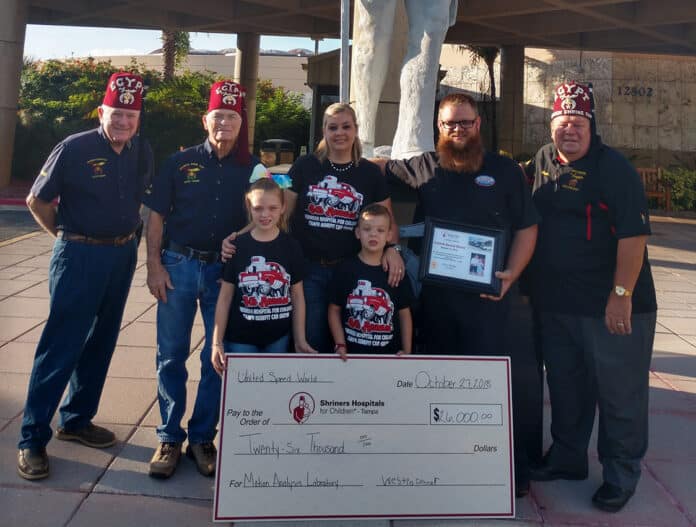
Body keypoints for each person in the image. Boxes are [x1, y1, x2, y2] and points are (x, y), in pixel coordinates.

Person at [377, 92, 540, 496]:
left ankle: (500, 467)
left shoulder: (505, 170)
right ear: (439, 127)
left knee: (489, 387)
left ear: (478, 125)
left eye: (465, 122)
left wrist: (511, 275)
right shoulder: (423, 166)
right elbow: (374, 171)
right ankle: (440, 463)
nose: (458, 130)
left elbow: (527, 228)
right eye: (450, 123)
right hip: (436, 302)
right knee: (438, 382)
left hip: (489, 302)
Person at [525, 81, 657, 513]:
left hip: (613, 308)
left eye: (578, 123)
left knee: (620, 395)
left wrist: (621, 296)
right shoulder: (542, 160)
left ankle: (620, 475)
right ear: (551, 125)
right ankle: (567, 459)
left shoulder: (614, 169)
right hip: (558, 304)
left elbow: (634, 237)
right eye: (562, 122)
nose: (570, 131)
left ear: (591, 125)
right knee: (566, 389)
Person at [17, 72, 151, 480]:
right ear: (101, 112)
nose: (123, 122)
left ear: (138, 119)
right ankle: (32, 439)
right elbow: (36, 200)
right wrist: (67, 236)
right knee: (61, 346)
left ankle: (76, 419)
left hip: (122, 255)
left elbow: (142, 200)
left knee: (101, 342)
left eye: (130, 115)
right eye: (117, 113)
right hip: (79, 256)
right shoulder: (74, 147)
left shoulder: (141, 150)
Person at [144, 80, 258, 479]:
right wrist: (153, 265)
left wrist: (239, 240)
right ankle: (170, 437)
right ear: (205, 119)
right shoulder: (179, 162)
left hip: (222, 275)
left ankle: (203, 437)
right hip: (177, 266)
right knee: (171, 355)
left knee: (217, 357)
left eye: (232, 116)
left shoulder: (253, 168)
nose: (224, 122)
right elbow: (156, 214)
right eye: (218, 116)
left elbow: (267, 215)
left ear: (241, 123)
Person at [224, 103, 405, 353]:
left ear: (355, 129)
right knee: (311, 341)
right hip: (309, 269)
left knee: (348, 343)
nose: (339, 133)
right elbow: (278, 210)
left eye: (346, 126)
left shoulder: (370, 173)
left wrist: (393, 249)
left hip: (351, 269)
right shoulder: (305, 165)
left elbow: (387, 221)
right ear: (324, 130)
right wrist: (238, 238)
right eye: (333, 127)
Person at [211, 178, 315, 373]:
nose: (265, 214)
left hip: (279, 337)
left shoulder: (291, 247)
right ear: (249, 207)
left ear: (283, 207)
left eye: (272, 208)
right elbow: (225, 298)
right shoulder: (237, 247)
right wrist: (216, 343)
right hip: (241, 338)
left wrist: (300, 338)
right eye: (258, 208)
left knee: (273, 394)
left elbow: (298, 296)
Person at [328, 203, 414, 359]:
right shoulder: (345, 269)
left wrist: (407, 351)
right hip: (350, 357)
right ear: (358, 233)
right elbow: (334, 310)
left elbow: (404, 313)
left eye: (380, 230)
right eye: (367, 229)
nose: (373, 234)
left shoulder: (395, 271)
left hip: (389, 358)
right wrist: (340, 344)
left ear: (389, 235)